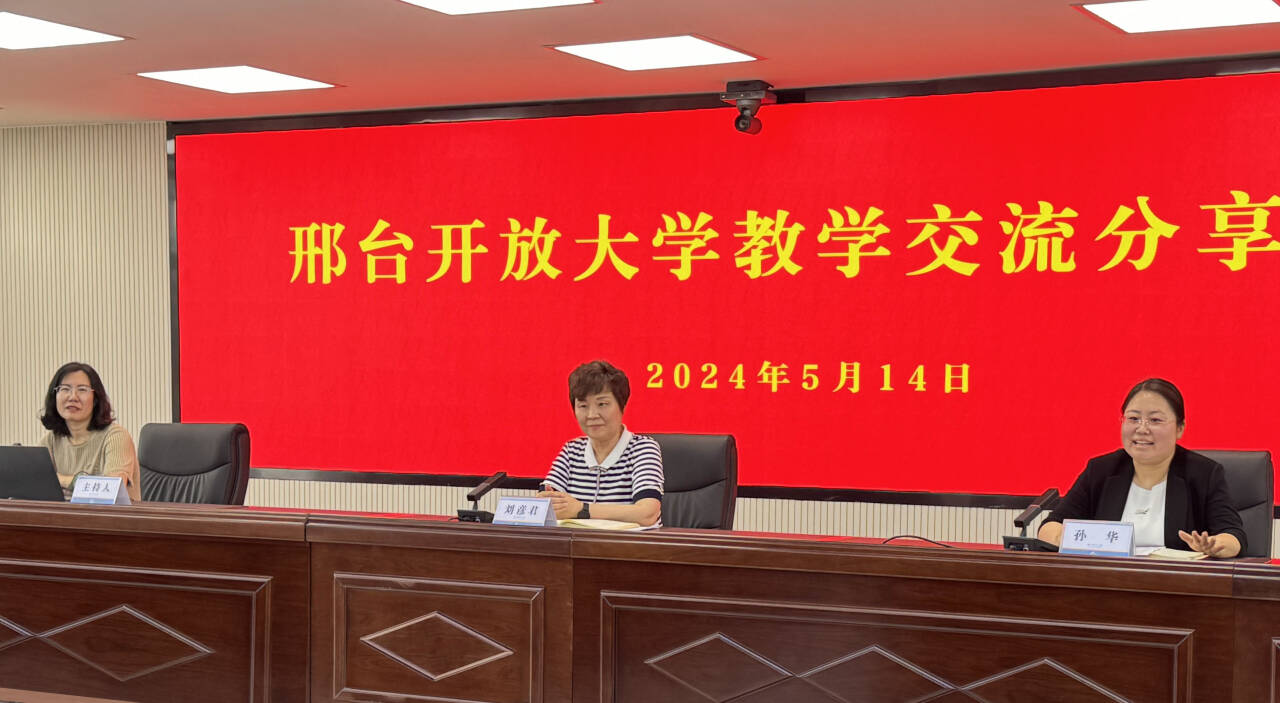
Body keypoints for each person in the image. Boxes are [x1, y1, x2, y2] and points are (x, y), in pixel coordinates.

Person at [1038, 378, 1244, 558]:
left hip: (1176, 584)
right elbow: (1050, 526)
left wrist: (1213, 546)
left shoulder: (1203, 474)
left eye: (1155, 420)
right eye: (1133, 418)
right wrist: (1070, 539)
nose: (1142, 429)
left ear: (1180, 428)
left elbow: (1233, 536)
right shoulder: (1101, 470)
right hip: (1107, 581)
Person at [538, 360, 663, 526]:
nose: (592, 415)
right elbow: (544, 504)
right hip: (577, 542)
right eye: (583, 405)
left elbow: (647, 513)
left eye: (602, 404)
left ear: (622, 406)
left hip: (628, 543)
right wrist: (546, 500)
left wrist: (581, 509)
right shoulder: (572, 451)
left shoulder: (643, 449)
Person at [39, 362, 141, 502]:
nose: (72, 397)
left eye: (82, 389)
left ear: (95, 400)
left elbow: (111, 489)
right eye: (65, 389)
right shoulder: (50, 440)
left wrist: (63, 480)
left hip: (109, 515)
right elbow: (37, 484)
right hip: (63, 515)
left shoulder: (116, 436)